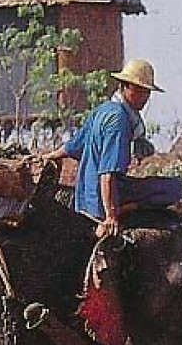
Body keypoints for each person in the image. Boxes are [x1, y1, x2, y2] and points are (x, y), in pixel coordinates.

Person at [41, 58, 171, 239]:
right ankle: (122, 209)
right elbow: (107, 172)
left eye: (147, 92)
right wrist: (110, 216)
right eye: (139, 90)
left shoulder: (103, 110)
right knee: (174, 188)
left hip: (85, 196)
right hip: (103, 198)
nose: (144, 97)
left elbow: (74, 145)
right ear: (125, 87)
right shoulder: (119, 121)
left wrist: (51, 156)